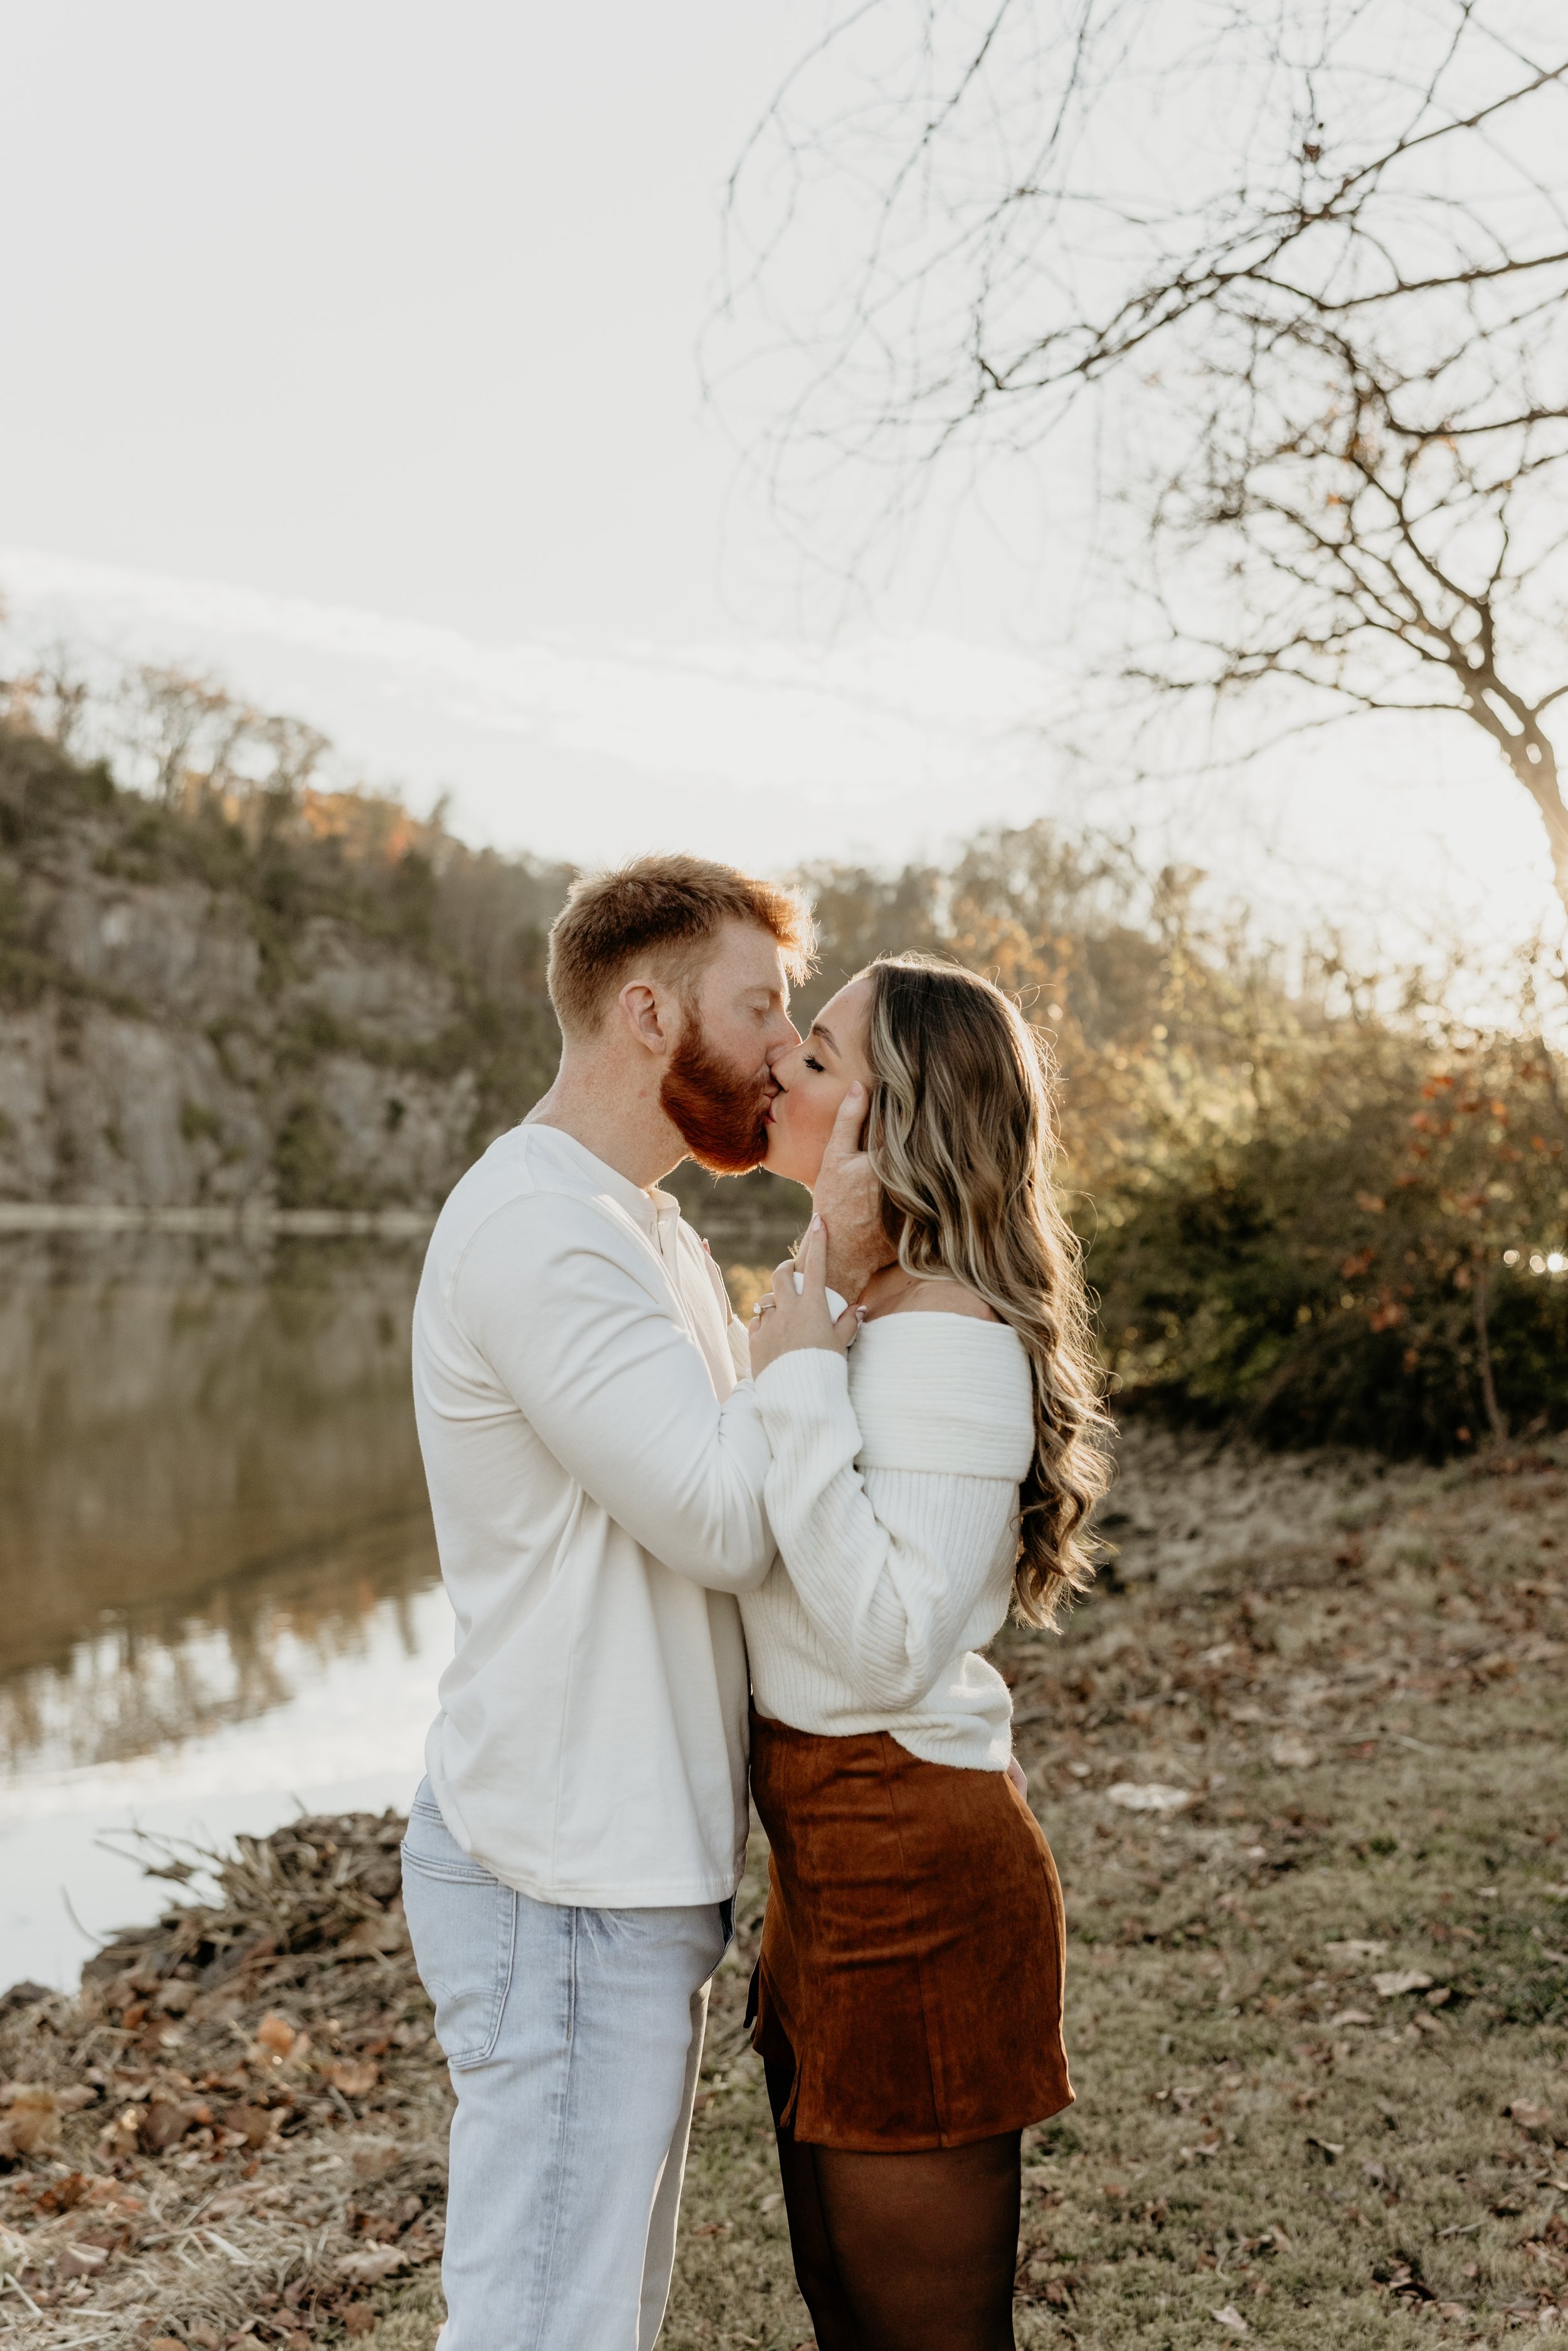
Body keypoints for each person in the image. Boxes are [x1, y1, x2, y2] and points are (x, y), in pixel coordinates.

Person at [399, 855, 879, 2351]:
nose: (787, 1053)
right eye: (759, 1011)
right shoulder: (543, 1231)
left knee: (590, 2308)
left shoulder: (646, 1227)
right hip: (559, 1870)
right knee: (548, 2320)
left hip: (618, 1862)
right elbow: (730, 1518)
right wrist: (821, 1281)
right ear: (648, 1009)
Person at [741, 952, 1113, 2351]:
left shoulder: (945, 1337)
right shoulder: (857, 1308)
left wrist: (790, 1374)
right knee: (845, 2309)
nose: (783, 1062)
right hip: (827, 1849)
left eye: (820, 1055)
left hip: (910, 1849)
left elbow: (890, 1642)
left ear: (894, 1124)